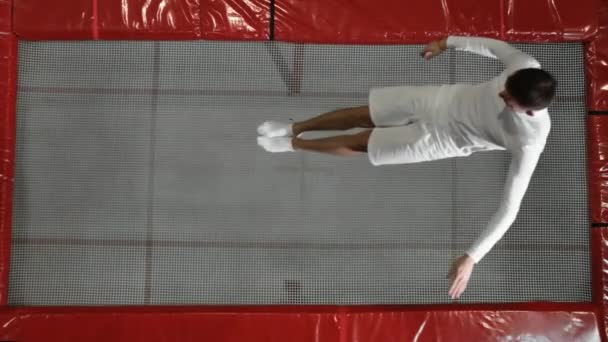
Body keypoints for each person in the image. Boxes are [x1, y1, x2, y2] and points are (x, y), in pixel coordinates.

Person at [256, 36, 557, 300]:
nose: (502, 95)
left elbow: (510, 207)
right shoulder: (524, 65)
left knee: (363, 143)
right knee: (365, 114)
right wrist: (447, 42)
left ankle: (295, 145)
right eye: (505, 88)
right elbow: (495, 47)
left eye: (509, 100)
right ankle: (295, 127)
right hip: (440, 101)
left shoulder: (529, 141)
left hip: (441, 140)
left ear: (529, 111)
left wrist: (472, 257)